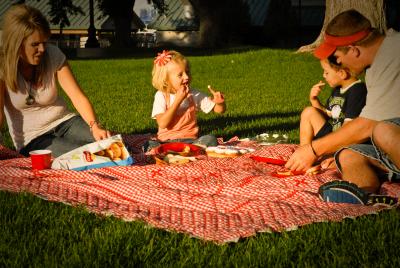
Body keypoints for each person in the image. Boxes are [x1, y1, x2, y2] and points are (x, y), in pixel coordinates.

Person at [285, 9, 400, 193]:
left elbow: (368, 125)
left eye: (337, 58)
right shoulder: (374, 67)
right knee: (347, 154)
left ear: (354, 50)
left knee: (382, 130)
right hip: (391, 150)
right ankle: (364, 198)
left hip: (390, 136)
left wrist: (313, 149)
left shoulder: (393, 54)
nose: (339, 65)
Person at [0, 4, 111, 157]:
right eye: (35, 44)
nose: (42, 49)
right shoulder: (3, 66)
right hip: (34, 139)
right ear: (17, 44)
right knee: (85, 156)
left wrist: (94, 126)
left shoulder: (53, 54)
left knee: (112, 146)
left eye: (44, 42)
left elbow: (77, 97)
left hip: (66, 122)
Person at [144, 50, 226, 151]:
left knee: (211, 139)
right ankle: (167, 152)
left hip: (191, 142)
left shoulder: (194, 94)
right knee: (149, 144)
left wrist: (220, 103)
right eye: (180, 75)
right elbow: (162, 123)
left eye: (187, 72)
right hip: (165, 142)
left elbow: (219, 110)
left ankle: (187, 152)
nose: (186, 77)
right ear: (166, 79)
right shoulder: (161, 95)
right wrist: (178, 100)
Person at [299, 57, 367, 146]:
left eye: (326, 72)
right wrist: (314, 99)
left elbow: (350, 129)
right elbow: (328, 114)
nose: (323, 75)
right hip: (334, 136)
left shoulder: (358, 90)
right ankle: (304, 150)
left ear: (342, 73)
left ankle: (310, 153)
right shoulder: (338, 89)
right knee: (309, 111)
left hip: (346, 141)